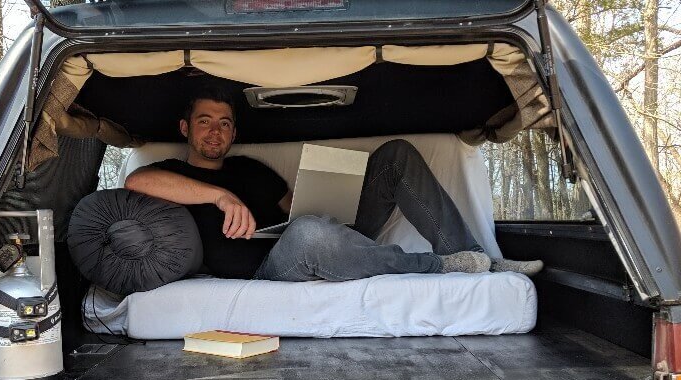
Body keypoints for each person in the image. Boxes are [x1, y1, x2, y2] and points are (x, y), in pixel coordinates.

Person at [124, 87, 542, 281]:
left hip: (321, 234)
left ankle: (474, 255)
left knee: (394, 154)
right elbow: (136, 180)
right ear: (185, 128)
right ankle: (440, 266)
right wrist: (221, 196)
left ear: (234, 133)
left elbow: (295, 208)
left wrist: (330, 194)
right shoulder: (168, 171)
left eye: (224, 124)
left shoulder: (250, 167)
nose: (215, 132)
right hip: (269, 266)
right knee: (309, 234)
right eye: (204, 122)